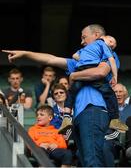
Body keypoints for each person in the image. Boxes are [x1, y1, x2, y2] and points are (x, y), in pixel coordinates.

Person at [3, 24, 116, 166]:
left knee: (92, 161)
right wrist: (25, 53)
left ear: (97, 36)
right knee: (87, 159)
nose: (81, 42)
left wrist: (74, 75)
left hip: (93, 110)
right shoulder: (79, 63)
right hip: (80, 116)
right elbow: (50, 59)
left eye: (84, 37)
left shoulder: (106, 53)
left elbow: (100, 72)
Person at [62, 35, 128, 133]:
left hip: (81, 70)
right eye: (111, 41)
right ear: (102, 37)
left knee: (72, 92)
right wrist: (115, 76)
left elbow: (74, 56)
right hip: (93, 70)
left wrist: (85, 58)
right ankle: (115, 119)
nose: (112, 45)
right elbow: (112, 60)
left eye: (113, 45)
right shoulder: (102, 44)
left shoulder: (85, 48)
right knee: (109, 93)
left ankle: (66, 118)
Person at [103, 83, 131, 167]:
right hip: (112, 141)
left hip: (127, 142)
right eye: (115, 92)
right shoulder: (107, 109)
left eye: (120, 92)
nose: (118, 94)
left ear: (125, 94)